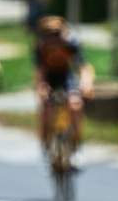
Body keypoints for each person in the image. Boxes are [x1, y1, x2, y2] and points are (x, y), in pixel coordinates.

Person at [31, 15, 95, 155]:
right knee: (45, 108)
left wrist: (86, 83)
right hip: (49, 77)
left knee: (75, 105)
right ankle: (45, 140)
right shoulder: (41, 47)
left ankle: (76, 139)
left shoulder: (71, 45)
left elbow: (83, 67)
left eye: (57, 34)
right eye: (49, 35)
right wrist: (41, 87)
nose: (54, 39)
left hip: (66, 76)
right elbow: (40, 71)